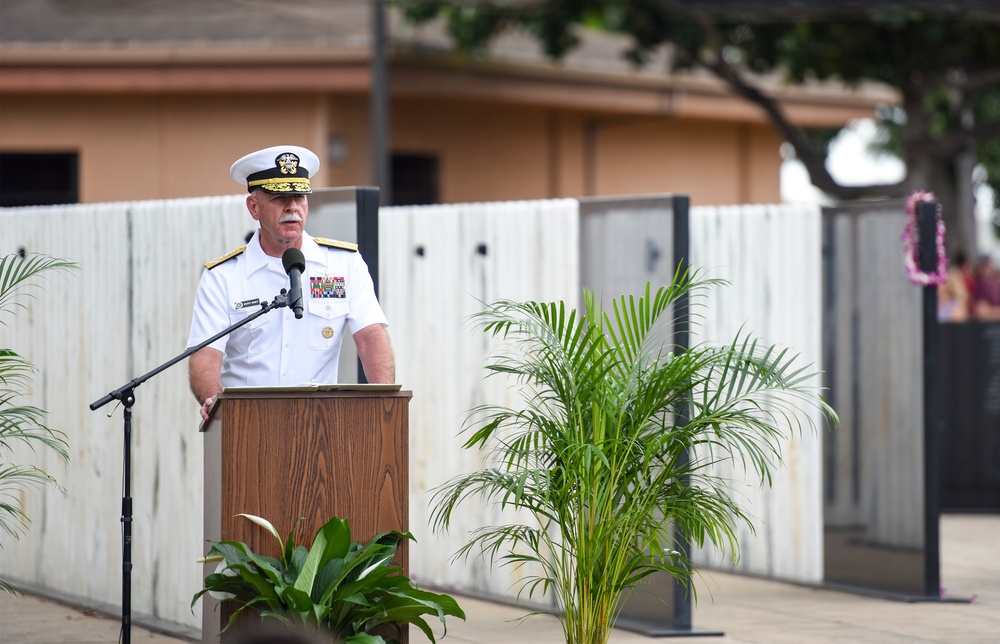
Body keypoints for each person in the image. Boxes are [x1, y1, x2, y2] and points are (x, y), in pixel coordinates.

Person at [187, 145, 394, 420]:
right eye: (279, 198)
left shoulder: (344, 264)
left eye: (299, 197)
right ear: (254, 207)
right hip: (247, 426)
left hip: (322, 426)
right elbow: (205, 355)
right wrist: (214, 402)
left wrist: (385, 407)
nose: (292, 208)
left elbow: (370, 338)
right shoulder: (222, 277)